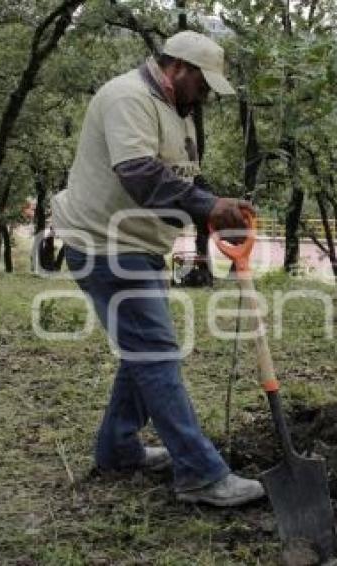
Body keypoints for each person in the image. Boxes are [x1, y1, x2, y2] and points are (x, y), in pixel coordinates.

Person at [51, 30, 263, 507]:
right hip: (104, 243)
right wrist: (208, 206)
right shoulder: (128, 98)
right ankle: (200, 474)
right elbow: (141, 175)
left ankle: (117, 451)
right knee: (156, 352)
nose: (206, 96)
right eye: (203, 85)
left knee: (144, 352)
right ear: (178, 69)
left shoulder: (177, 114)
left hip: (136, 245)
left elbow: (182, 177)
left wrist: (216, 209)